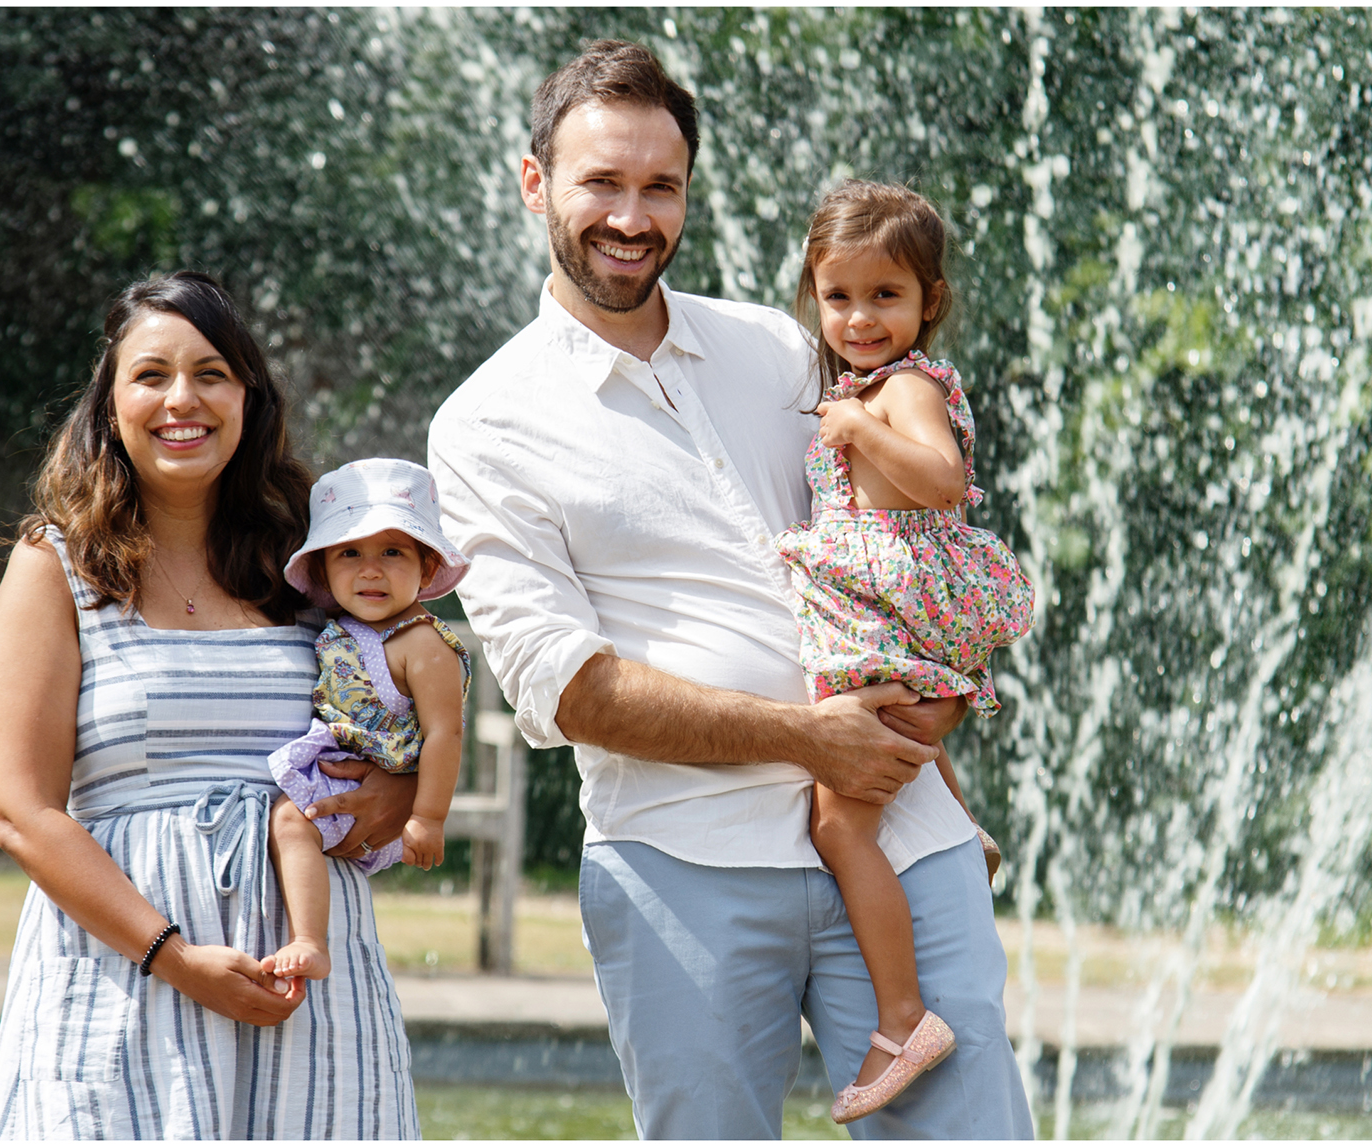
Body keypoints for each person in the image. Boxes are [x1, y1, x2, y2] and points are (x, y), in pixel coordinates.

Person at [428, 40, 1034, 1139]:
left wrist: (931, 753)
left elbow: (900, 554)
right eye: (601, 181)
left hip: (900, 836)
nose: (631, 213)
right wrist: (813, 741)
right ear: (534, 185)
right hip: (682, 865)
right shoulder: (485, 422)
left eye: (659, 185)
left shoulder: (777, 347)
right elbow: (566, 690)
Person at [0, 271, 420, 1139]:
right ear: (111, 402)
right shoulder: (56, 566)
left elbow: (413, 712)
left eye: (212, 372)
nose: (184, 398)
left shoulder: (314, 565)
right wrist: (172, 957)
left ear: (249, 396)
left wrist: (400, 795)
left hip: (307, 982)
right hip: (125, 974)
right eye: (152, 375)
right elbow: (20, 811)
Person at [774, 180, 1035, 1123]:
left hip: (904, 633)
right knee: (878, 771)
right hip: (897, 629)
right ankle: (965, 828)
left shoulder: (906, 387)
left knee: (839, 826)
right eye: (838, 296)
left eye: (886, 296)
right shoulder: (861, 385)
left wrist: (859, 428)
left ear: (931, 300)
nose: (859, 317)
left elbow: (944, 482)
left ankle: (901, 1018)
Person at [264, 458, 473, 985]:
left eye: (393, 553)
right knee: (290, 827)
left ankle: (310, 940)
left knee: (291, 825)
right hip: (335, 766)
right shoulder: (345, 627)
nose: (370, 569)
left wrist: (427, 817)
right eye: (350, 553)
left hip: (374, 785)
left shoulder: (421, 643)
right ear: (323, 570)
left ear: (427, 569)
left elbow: (447, 732)